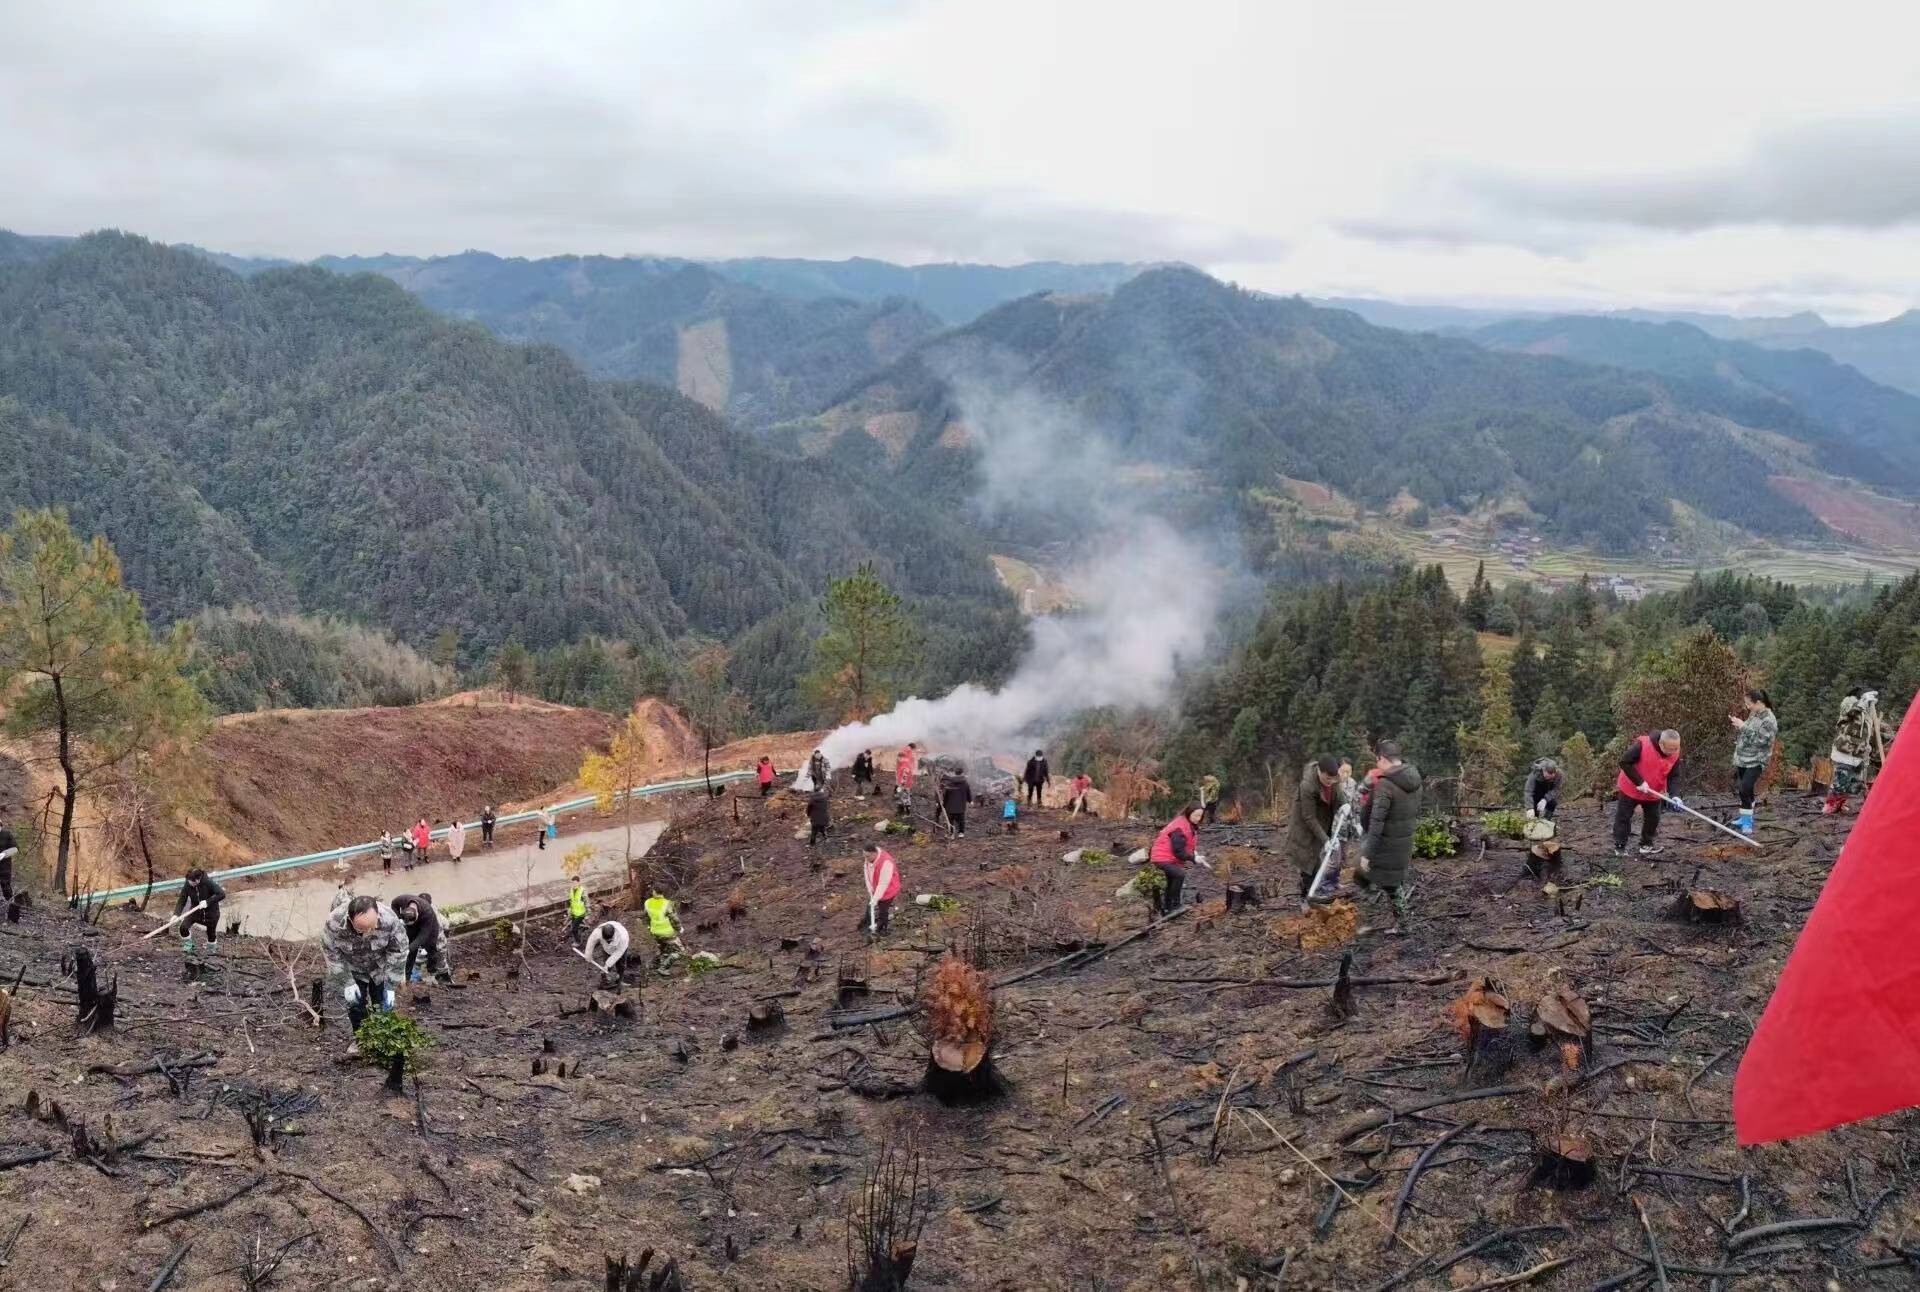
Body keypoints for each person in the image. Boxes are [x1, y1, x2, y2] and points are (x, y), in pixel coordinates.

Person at [321, 891, 410, 1054]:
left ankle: (382, 1038)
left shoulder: (390, 919)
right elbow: (330, 952)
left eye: (373, 926)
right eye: (362, 928)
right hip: (353, 968)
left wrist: (391, 985)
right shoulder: (334, 922)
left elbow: (399, 951)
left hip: (380, 968)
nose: (369, 931)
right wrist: (346, 981)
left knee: (382, 1004)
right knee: (355, 1005)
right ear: (350, 919)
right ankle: (361, 1039)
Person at [1357, 741, 1422, 931]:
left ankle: (1397, 924)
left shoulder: (1385, 785)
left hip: (1386, 843)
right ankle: (1397, 922)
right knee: (1393, 882)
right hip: (1404, 840)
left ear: (1382, 759)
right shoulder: (1415, 780)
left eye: (1377, 760)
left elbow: (1376, 823)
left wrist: (1367, 854)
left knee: (1375, 880)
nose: (1376, 765)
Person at [1614, 729, 1682, 857]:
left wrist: (1675, 795)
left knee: (1653, 818)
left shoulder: (1674, 753)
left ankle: (1646, 845)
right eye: (1670, 749)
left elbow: (1674, 776)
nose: (1673, 752)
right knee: (1624, 817)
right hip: (1631, 788)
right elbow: (1624, 762)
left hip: (1653, 791)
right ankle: (1620, 846)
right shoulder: (1642, 745)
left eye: (1676, 748)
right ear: (1661, 744)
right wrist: (1639, 782)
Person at [1284, 757, 1342, 904]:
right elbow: (1309, 817)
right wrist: (1325, 839)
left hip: (1323, 825)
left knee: (1320, 863)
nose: (1331, 781)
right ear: (1319, 772)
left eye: (1333, 779)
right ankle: (1306, 899)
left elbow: (1339, 798)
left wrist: (1345, 805)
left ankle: (1314, 894)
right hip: (1305, 831)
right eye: (1327, 778)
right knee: (1308, 864)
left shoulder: (1334, 780)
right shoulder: (1307, 786)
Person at [1729, 688, 1777, 836]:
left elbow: (1760, 742)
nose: (1747, 707)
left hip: (1756, 760)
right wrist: (1740, 725)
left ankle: (1747, 823)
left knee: (1744, 788)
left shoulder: (1769, 720)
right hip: (1743, 758)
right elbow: (1749, 730)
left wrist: (1743, 727)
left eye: (1749, 704)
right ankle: (1745, 816)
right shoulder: (1755, 713)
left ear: (1758, 702)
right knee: (1746, 789)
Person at [1149, 806, 1206, 914]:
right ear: (1189, 813)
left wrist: (1194, 854)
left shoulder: (1188, 825)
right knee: (1179, 875)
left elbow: (1186, 845)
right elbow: (1178, 851)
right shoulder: (1180, 827)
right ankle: (1175, 905)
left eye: (1200, 816)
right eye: (1196, 815)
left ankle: (1167, 907)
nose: (1198, 818)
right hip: (1162, 857)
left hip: (1169, 857)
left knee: (1171, 880)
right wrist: (1193, 858)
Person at [1826, 689, 1873, 815]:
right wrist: (1860, 704)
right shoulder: (1849, 705)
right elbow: (1848, 714)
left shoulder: (1865, 713)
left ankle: (1841, 805)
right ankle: (1830, 806)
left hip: (1858, 753)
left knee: (1853, 783)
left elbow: (1865, 733)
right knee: (1841, 780)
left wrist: (1867, 745)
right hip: (1846, 750)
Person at [391, 893, 452, 984]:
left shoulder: (428, 912)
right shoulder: (403, 899)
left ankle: (433, 972)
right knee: (410, 950)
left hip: (430, 929)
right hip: (413, 926)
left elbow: (423, 936)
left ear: (417, 914)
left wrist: (409, 949)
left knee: (432, 950)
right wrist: (398, 917)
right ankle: (407, 977)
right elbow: (393, 904)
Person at [175, 867, 226, 960]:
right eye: (188, 881)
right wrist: (176, 914)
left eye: (192, 882)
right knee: (183, 928)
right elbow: (182, 899)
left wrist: (207, 902)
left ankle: (211, 953)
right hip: (195, 911)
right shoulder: (188, 883)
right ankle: (189, 946)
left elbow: (222, 894)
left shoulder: (208, 882)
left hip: (211, 913)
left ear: (198, 880)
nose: (189, 884)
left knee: (211, 934)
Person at [862, 842, 900, 936]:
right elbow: (866, 873)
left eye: (867, 856)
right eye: (864, 856)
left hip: (888, 890)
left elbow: (883, 883)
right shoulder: (869, 859)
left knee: (883, 910)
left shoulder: (886, 862)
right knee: (874, 907)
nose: (865, 859)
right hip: (876, 889)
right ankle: (874, 923)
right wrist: (870, 889)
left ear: (874, 853)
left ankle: (883, 929)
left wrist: (875, 898)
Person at [643, 887, 685, 970]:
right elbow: (674, 919)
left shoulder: (647, 902)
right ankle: (663, 968)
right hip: (667, 933)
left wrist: (649, 926)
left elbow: (646, 917)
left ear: (654, 892)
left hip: (654, 932)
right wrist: (679, 929)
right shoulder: (667, 903)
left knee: (662, 948)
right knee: (680, 952)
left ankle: (653, 965)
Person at [940, 770, 973, 839]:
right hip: (961, 805)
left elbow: (946, 795)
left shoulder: (949, 783)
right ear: (962, 773)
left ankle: (951, 834)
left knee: (950, 820)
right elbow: (968, 793)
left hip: (950, 805)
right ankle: (961, 833)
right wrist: (970, 801)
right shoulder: (965, 783)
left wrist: (944, 803)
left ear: (955, 773)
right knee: (961, 820)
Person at [567, 877, 589, 947]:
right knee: (573, 928)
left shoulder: (582, 890)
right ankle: (583, 928)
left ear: (579, 882)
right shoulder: (571, 890)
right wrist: (569, 911)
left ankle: (578, 942)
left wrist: (588, 914)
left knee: (574, 929)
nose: (574, 884)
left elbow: (587, 902)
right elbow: (571, 902)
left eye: (575, 883)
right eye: (572, 883)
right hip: (574, 913)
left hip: (581, 913)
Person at [0, 823, 15, 902]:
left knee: (5, 885)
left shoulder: (7, 834)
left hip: (4, 866)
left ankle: (12, 905)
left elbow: (14, 849)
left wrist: (3, 854)